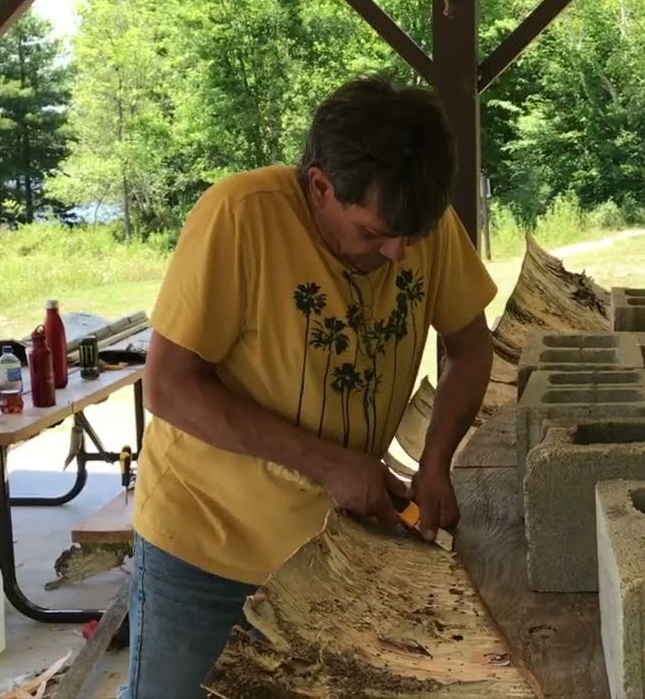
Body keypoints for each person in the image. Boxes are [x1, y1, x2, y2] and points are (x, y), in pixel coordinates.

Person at [122, 76, 497, 698]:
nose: (399, 253)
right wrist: (329, 463)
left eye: (412, 235)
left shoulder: (418, 224)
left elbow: (470, 347)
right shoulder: (241, 216)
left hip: (335, 552)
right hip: (206, 545)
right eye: (373, 233)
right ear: (320, 186)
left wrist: (436, 463)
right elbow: (167, 387)